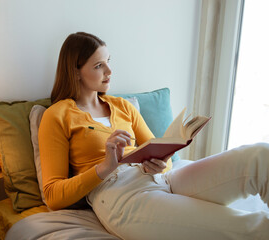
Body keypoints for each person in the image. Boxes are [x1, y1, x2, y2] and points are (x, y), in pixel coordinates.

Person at [38, 32, 269, 240]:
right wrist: (105, 167)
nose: (109, 71)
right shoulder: (57, 115)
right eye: (99, 66)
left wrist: (160, 164)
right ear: (75, 71)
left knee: (261, 156)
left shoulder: (122, 106)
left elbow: (160, 152)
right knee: (248, 227)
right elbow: (53, 196)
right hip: (118, 195)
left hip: (161, 181)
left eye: (108, 62)